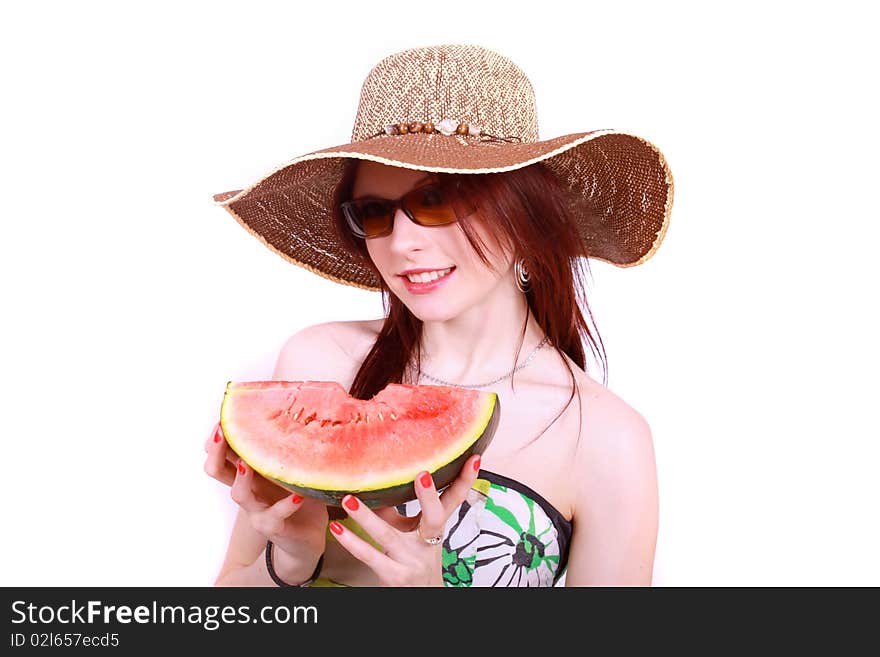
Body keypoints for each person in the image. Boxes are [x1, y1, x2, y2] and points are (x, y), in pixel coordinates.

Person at [204, 43, 674, 587]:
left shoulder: (606, 438)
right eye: (376, 212)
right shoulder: (321, 361)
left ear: (524, 215)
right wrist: (290, 559)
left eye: (437, 202)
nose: (403, 243)